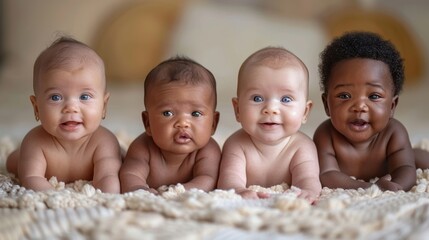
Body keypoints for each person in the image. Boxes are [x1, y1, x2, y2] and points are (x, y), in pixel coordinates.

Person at [313, 31, 428, 191]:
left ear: (392, 106)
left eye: (374, 96)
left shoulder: (394, 132)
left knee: (416, 157)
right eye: (344, 95)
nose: (360, 106)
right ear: (326, 104)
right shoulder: (326, 135)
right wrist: (369, 187)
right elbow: (327, 174)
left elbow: (405, 169)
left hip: (391, 161)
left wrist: (396, 185)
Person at [6, 37, 122, 193]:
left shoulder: (104, 142)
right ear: (37, 108)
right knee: (13, 162)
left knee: (121, 158)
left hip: (111, 152)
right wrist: (55, 197)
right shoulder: (35, 143)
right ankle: (18, 155)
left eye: (85, 96)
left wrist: (109, 199)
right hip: (24, 156)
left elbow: (107, 178)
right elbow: (32, 179)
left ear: (104, 106)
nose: (71, 108)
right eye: (56, 97)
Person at [217, 47, 322, 203]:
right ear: (237, 109)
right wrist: (238, 190)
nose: (271, 109)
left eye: (286, 99)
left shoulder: (302, 146)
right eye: (257, 98)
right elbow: (229, 180)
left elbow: (308, 178)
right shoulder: (236, 144)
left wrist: (307, 191)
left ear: (305, 112)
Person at [119, 56, 221, 194]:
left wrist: (180, 191)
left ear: (213, 124)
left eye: (196, 114)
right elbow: (130, 174)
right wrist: (139, 190)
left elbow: (208, 179)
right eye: (168, 113)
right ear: (147, 123)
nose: (183, 123)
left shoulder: (208, 150)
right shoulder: (142, 147)